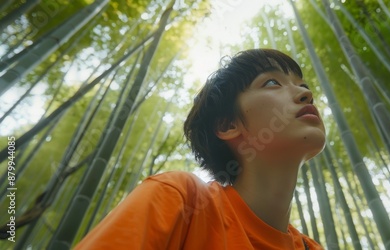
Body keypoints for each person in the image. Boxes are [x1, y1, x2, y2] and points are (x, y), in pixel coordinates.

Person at [75, 49, 326, 249]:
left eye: (303, 85)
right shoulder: (181, 203)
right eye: (272, 82)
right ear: (228, 124)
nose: (306, 94)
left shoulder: (310, 247)